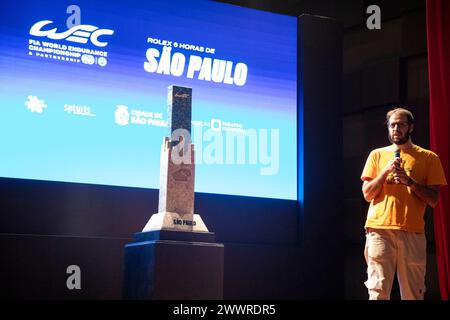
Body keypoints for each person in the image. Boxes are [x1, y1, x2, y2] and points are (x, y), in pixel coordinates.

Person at [360, 107, 447, 300]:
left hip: (412, 231)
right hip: (379, 230)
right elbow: (367, 194)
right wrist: (384, 172)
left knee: (413, 293)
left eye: (401, 124)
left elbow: (433, 199)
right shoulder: (377, 155)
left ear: (411, 127)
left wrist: (410, 182)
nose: (396, 128)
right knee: (377, 292)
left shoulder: (429, 158)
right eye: (392, 125)